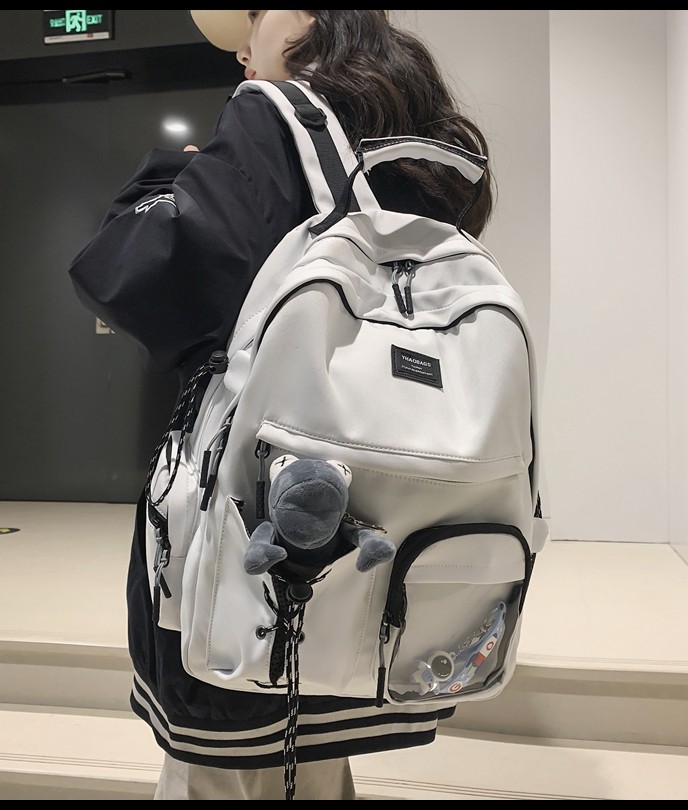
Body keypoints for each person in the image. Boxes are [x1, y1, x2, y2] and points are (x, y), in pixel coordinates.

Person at [68, 9, 495, 801]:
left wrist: (169, 179)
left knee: (227, 765)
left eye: (254, 17)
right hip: (388, 527)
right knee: (310, 756)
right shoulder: (426, 147)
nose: (242, 46)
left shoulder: (275, 113)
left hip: (267, 527)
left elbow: (154, 283)